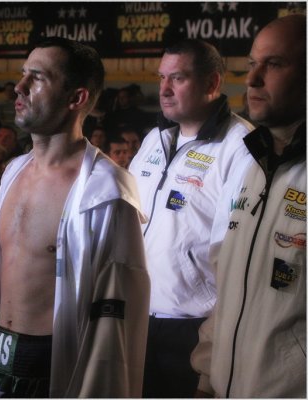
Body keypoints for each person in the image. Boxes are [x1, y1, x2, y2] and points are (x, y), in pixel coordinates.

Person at [0, 37, 149, 398]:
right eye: (23, 74)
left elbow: (115, 319)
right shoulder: (13, 172)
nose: (19, 87)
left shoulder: (106, 192)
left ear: (76, 98)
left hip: (53, 367)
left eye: (37, 78)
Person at [127, 39, 255, 398]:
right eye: (162, 77)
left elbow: (236, 257)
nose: (164, 89)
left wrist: (211, 357)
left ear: (212, 83)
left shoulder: (241, 146)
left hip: (193, 330)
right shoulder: (154, 139)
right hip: (136, 320)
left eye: (178, 78)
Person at [190, 14, 306, 398]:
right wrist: (207, 377)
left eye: (274, 64)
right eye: (252, 63)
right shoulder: (248, 165)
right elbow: (228, 286)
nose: (252, 79)